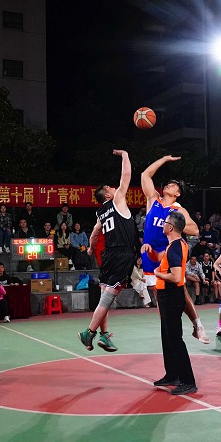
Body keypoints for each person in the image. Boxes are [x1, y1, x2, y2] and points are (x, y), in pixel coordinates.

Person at [140, 155, 205, 341]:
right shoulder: (153, 199)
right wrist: (164, 159)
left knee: (180, 292)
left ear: (178, 194)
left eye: (174, 186)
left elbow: (195, 230)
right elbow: (145, 175)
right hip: (149, 255)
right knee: (157, 294)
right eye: (168, 184)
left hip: (168, 256)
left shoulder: (178, 210)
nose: (169, 185)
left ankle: (197, 326)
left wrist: (174, 224)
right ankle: (167, 329)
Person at [78, 150, 136, 353]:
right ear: (109, 194)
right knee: (109, 296)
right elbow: (126, 175)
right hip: (122, 254)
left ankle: (104, 335)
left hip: (108, 255)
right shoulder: (117, 199)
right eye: (111, 188)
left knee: (105, 293)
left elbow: (94, 234)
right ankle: (89, 332)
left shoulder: (101, 213)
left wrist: (91, 248)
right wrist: (125, 155)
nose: (115, 187)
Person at [150, 211, 198, 395]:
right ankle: (172, 374)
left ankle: (188, 381)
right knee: (167, 337)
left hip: (171, 295)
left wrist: (158, 273)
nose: (163, 224)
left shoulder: (175, 247)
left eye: (165, 222)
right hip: (167, 296)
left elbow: (177, 277)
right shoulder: (177, 244)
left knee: (175, 339)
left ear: (170, 227)